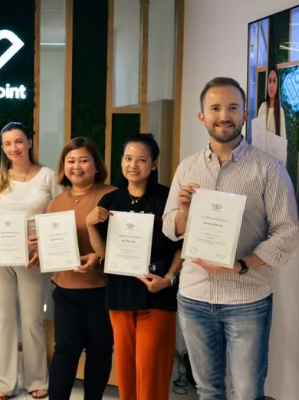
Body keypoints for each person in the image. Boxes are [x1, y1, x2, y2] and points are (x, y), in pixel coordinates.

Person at [162, 77, 299, 400]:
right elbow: (170, 227)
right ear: (202, 116)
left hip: (246, 299)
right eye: (215, 108)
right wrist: (184, 211)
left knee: (246, 392)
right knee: (208, 390)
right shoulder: (187, 168)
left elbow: (287, 232)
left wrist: (241, 265)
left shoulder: (269, 169)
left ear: (244, 114)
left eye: (232, 108)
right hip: (194, 296)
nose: (224, 116)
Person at [86, 133, 183, 400]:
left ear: (154, 163)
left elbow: (182, 246)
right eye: (128, 158)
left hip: (157, 293)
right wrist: (89, 225)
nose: (133, 165)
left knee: (150, 367)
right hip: (120, 294)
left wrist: (169, 278)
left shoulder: (168, 199)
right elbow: (104, 254)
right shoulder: (110, 201)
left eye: (141, 159)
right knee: (126, 369)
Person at [0, 122, 60, 400]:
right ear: (3, 148)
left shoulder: (48, 176)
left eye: (19, 141)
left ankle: (36, 379)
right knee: (3, 319)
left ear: (29, 143)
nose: (14, 148)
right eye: (8, 143)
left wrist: (43, 245)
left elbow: (58, 218)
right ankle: (4, 383)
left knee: (33, 319)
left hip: (32, 257)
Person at [46, 137, 116, 400]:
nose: (76, 166)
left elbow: (122, 243)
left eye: (83, 160)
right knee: (65, 350)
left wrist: (98, 257)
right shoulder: (56, 202)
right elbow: (51, 243)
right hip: (65, 289)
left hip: (101, 289)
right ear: (63, 166)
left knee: (99, 350)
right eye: (70, 161)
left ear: (96, 165)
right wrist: (39, 248)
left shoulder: (112, 196)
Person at [256, 65, 287, 137]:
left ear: (277, 85)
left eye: (274, 81)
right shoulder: (262, 107)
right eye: (269, 81)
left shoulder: (280, 111)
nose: (271, 85)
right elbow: (257, 136)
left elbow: (283, 140)